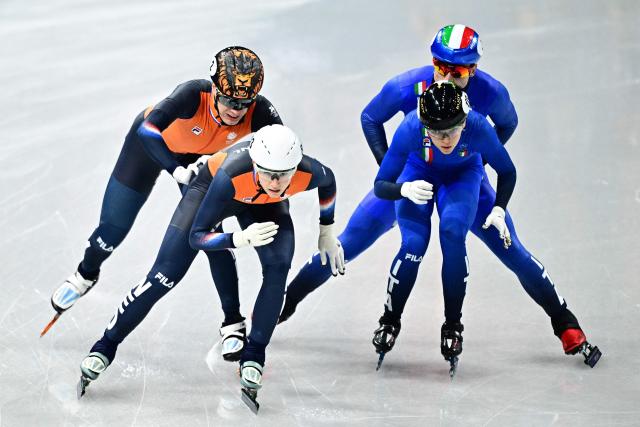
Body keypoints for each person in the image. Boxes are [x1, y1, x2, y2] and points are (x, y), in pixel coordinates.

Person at [279, 25, 598, 365]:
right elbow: (370, 117)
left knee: (511, 249)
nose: (446, 75)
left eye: (457, 71)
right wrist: (392, 167)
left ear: (473, 69)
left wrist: (472, 153)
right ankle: (286, 302)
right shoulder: (408, 86)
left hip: (464, 177)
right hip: (413, 174)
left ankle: (564, 321)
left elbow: (506, 128)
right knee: (348, 243)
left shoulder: (491, 93)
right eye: (440, 66)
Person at [76, 125, 345, 410]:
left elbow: (329, 183)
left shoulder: (311, 171)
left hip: (264, 206)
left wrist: (326, 230)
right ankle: (104, 346)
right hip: (213, 193)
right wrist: (237, 238)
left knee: (278, 268)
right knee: (163, 276)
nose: (276, 183)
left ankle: (254, 354)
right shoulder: (231, 173)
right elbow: (197, 236)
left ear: (296, 167)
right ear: (255, 164)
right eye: (268, 173)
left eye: (283, 175)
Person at [43, 46, 282, 335]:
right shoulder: (192, 94)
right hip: (149, 150)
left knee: (210, 234)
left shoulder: (260, 112)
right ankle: (85, 273)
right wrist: (174, 169)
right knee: (112, 230)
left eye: (245, 103)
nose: (236, 110)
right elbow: (147, 130)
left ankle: (232, 320)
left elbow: (281, 153)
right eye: (229, 100)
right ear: (215, 89)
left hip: (197, 163)